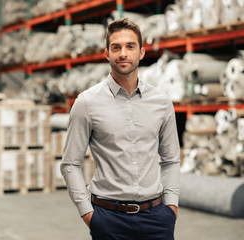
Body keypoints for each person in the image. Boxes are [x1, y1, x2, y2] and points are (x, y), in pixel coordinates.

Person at [60, 18, 180, 240]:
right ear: (107, 53)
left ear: (142, 52)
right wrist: (89, 215)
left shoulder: (162, 102)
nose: (123, 53)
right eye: (116, 47)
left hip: (156, 218)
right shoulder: (87, 103)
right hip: (108, 219)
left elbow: (171, 159)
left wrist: (170, 209)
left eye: (130, 46)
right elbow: (70, 164)